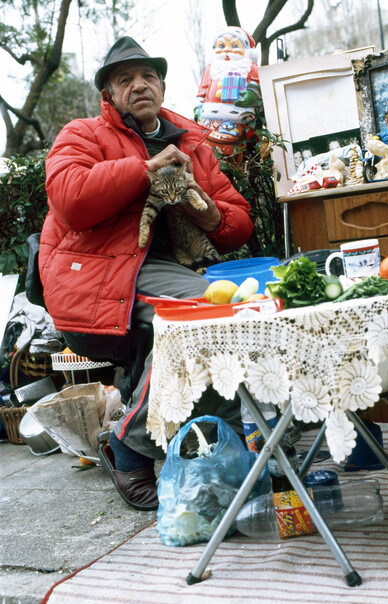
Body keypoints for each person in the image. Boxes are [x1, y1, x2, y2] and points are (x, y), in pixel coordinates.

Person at [39, 36, 254, 511]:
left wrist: (201, 207)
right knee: (206, 316)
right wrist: (145, 168)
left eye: (148, 76)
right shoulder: (83, 134)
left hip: (164, 274)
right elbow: (71, 200)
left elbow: (237, 222)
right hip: (95, 280)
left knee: (233, 318)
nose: (139, 85)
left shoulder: (192, 141)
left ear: (161, 84)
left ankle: (212, 444)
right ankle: (130, 448)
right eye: (124, 79)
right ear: (109, 95)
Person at [194, 26, 261, 154]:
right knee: (209, 145)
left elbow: (255, 83)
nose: (227, 50)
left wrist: (251, 95)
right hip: (210, 115)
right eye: (222, 46)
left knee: (240, 147)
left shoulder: (250, 66)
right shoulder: (211, 68)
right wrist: (198, 105)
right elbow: (203, 89)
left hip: (240, 116)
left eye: (234, 46)